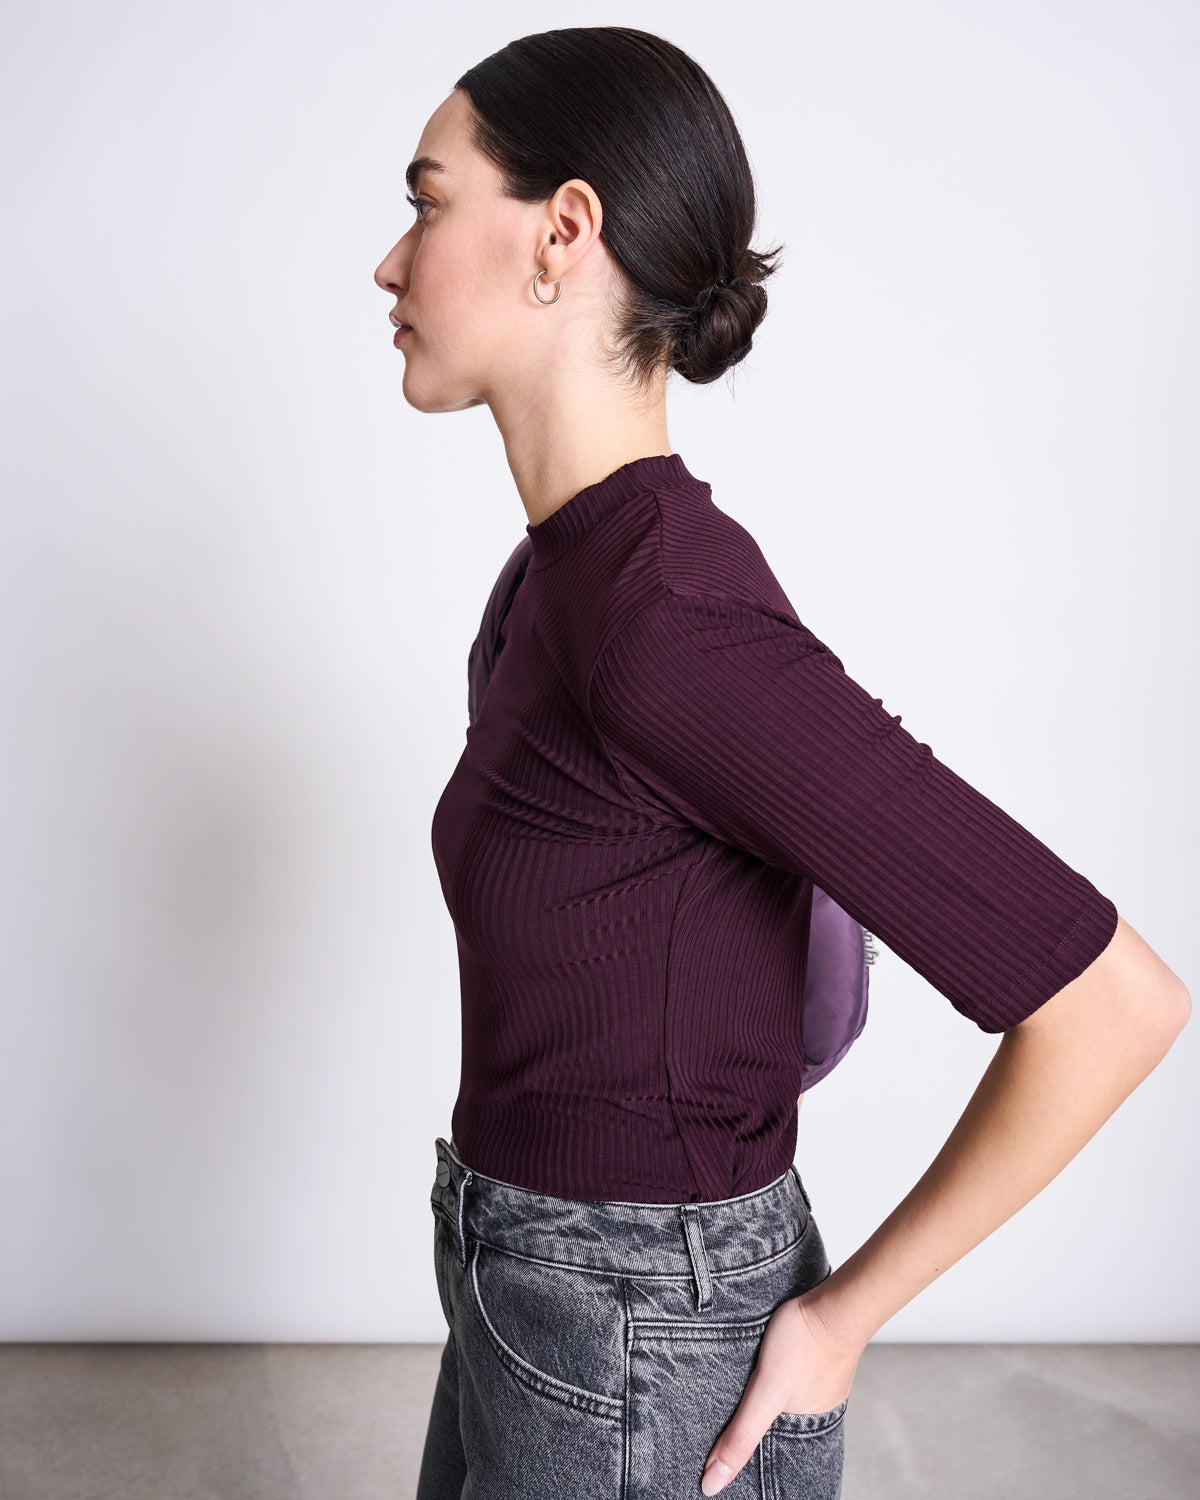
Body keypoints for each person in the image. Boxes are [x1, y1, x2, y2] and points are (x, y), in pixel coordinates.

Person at [373, 27, 1190, 1500]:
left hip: (641, 1340)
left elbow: (1111, 1005)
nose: (390, 261)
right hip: (533, 1290)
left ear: (563, 231)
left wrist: (838, 1319)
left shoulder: (663, 620)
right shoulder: (561, 581)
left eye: (428, 203)